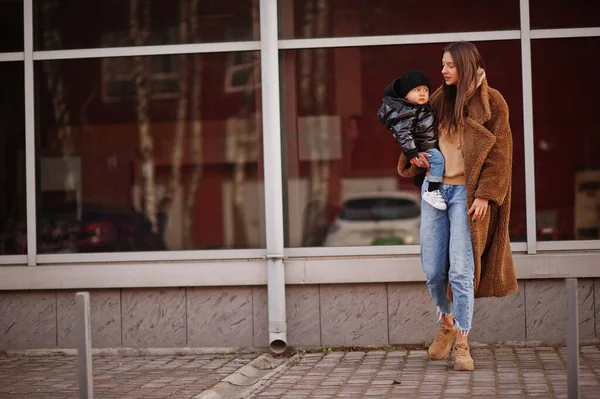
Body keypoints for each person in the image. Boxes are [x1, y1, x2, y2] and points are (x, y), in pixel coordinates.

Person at [396, 41, 518, 371]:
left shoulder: (493, 103)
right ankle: (447, 323)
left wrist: (485, 195)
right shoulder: (437, 100)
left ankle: (462, 342)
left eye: (449, 65)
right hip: (436, 192)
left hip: (467, 198)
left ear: (465, 67)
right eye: (442, 65)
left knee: (462, 271)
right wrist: (416, 157)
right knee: (435, 270)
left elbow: (500, 157)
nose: (443, 70)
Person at [377, 70, 447, 210]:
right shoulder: (407, 112)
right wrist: (412, 153)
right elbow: (403, 133)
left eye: (425, 90)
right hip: (424, 147)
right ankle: (432, 191)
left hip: (427, 144)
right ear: (405, 95)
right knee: (438, 160)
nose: (422, 93)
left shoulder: (419, 109)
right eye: (417, 90)